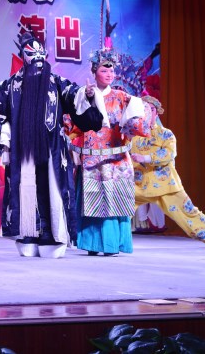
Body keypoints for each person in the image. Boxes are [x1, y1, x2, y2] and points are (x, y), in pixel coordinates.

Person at [0, 31, 103, 258]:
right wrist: (4, 132)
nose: (39, 63)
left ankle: (51, 233)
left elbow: (75, 97)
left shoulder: (56, 82)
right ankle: (28, 233)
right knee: (26, 188)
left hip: (52, 149)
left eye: (41, 58)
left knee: (53, 190)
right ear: (24, 58)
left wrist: (87, 95)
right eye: (33, 57)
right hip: (23, 148)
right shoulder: (10, 85)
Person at [68, 39, 148, 256]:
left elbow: (136, 123)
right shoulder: (83, 95)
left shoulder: (123, 97)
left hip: (116, 158)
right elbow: (74, 124)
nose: (109, 74)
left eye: (111, 71)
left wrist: (137, 120)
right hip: (92, 159)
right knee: (92, 200)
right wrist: (88, 98)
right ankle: (92, 244)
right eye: (104, 70)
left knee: (114, 200)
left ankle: (112, 244)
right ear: (94, 72)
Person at [131, 96, 205, 249]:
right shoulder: (132, 135)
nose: (146, 112)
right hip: (138, 184)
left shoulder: (166, 134)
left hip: (165, 185)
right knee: (119, 209)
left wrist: (145, 158)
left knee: (188, 212)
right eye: (143, 109)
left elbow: (169, 154)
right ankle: (110, 243)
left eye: (150, 109)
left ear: (156, 113)